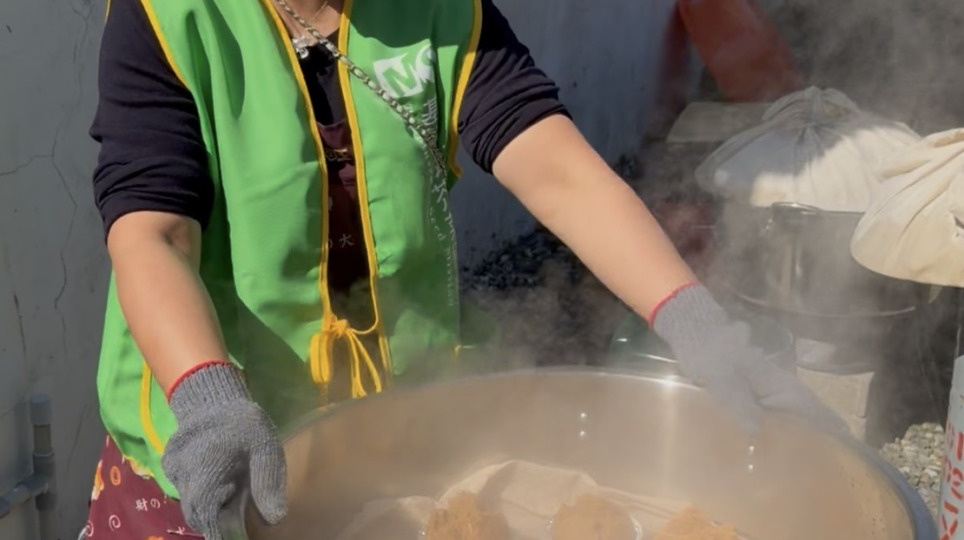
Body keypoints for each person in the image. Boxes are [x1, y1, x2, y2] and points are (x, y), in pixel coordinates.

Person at [82, 0, 845, 538]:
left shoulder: (438, 8)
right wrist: (208, 395)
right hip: (215, 450)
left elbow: (555, 169)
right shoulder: (170, 18)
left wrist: (694, 319)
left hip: (392, 431)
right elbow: (155, 234)